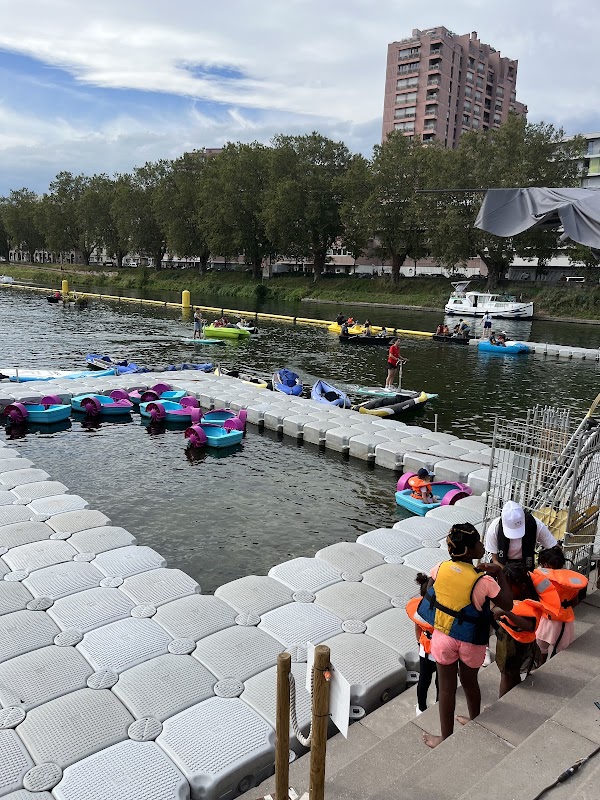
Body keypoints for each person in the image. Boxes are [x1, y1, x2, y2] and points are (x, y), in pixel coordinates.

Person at [418, 523, 513, 748]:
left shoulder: (439, 568)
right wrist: (499, 572)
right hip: (472, 640)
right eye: (479, 543)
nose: (482, 546)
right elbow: (508, 604)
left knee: (447, 687)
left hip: (444, 637)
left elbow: (432, 594)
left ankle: (445, 736)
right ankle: (474, 719)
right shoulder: (484, 580)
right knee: (470, 683)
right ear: (470, 551)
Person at [492, 562, 545, 697]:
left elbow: (529, 626)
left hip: (516, 647)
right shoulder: (514, 598)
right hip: (509, 641)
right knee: (511, 675)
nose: (504, 589)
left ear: (521, 587)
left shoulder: (529, 604)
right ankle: (509, 698)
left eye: (508, 586)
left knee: (506, 677)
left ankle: (502, 707)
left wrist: (507, 613)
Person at [534, 546, 588, 663]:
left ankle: (538, 669)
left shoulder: (541, 578)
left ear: (546, 565)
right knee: (559, 652)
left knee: (541, 650)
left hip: (546, 620)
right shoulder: (569, 581)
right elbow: (575, 601)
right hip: (565, 622)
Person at [484, 501, 558, 570]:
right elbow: (495, 559)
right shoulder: (494, 528)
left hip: (525, 563)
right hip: (502, 564)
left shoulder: (535, 525)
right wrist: (506, 573)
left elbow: (553, 547)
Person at [405, 573, 438, 715]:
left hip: (425, 648)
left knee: (424, 680)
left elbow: (417, 627)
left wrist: (419, 642)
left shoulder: (418, 609)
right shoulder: (441, 613)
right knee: (440, 682)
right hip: (441, 651)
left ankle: (421, 707)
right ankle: (439, 704)